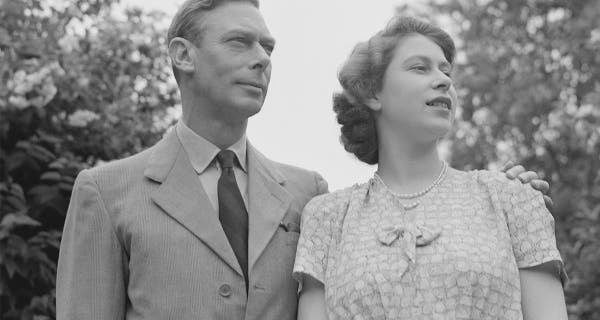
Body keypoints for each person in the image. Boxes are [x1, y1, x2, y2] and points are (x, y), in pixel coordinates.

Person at [56, 1, 552, 319]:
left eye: (268, 47)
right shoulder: (106, 191)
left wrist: (499, 197)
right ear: (183, 55)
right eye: (239, 42)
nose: (262, 58)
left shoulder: (306, 194)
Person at [294, 16, 568, 320]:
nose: (444, 80)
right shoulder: (327, 219)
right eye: (419, 68)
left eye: (446, 70)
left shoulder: (513, 199)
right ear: (372, 92)